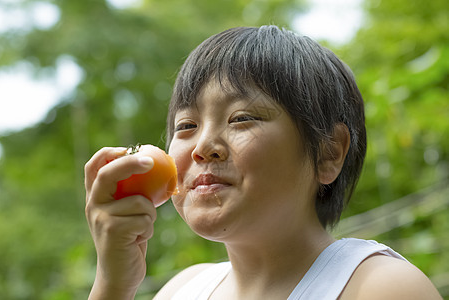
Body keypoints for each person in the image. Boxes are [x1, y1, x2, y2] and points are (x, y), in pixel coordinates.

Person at [84, 26, 442, 299]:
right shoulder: (184, 289)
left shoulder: (379, 287)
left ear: (329, 152)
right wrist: (112, 284)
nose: (203, 146)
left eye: (241, 118)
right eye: (187, 126)